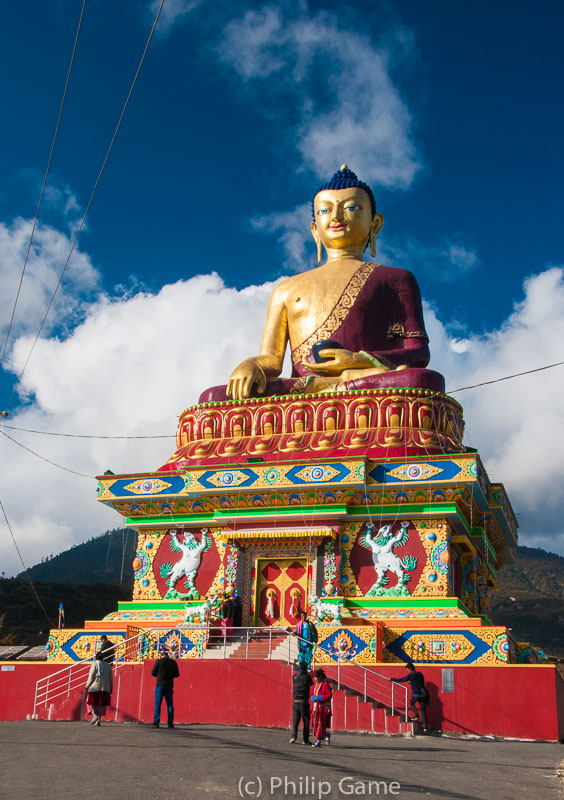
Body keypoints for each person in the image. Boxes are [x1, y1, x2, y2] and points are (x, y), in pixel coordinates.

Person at [200, 165, 444, 403]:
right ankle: (329, 389)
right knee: (213, 397)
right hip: (303, 390)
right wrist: (251, 364)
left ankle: (341, 385)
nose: (337, 217)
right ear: (315, 230)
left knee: (420, 380)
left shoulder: (396, 279)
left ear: (375, 223)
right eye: (325, 211)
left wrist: (357, 360)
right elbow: (272, 362)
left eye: (351, 207)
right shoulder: (286, 289)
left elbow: (418, 354)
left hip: (364, 381)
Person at [388, 662, 428, 733]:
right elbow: (420, 682)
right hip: (423, 694)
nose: (407, 671)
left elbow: (401, 680)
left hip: (416, 694)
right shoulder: (420, 674)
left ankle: (416, 715)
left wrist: (391, 679)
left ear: (410, 669)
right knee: (423, 711)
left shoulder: (411, 675)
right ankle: (425, 728)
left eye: (407, 670)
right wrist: (411, 681)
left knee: (412, 703)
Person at [151, 649, 180, 728]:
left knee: (157, 704)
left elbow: (153, 672)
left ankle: (156, 722)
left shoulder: (159, 662)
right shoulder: (173, 662)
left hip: (160, 684)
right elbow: (177, 674)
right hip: (169, 685)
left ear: (161, 656)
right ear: (168, 656)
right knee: (170, 705)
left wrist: (159, 675)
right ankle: (170, 723)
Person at [85, 652, 113, 726]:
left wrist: (87, 686)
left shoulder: (95, 664)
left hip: (95, 687)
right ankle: (98, 719)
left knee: (91, 703)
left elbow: (91, 676)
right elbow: (111, 678)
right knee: (101, 705)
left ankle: (95, 715)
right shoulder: (108, 666)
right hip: (105, 688)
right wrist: (111, 688)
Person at [289, 662, 313, 745]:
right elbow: (311, 683)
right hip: (304, 702)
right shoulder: (307, 677)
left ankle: (293, 737)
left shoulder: (294, 677)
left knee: (295, 721)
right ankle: (305, 739)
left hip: (295, 701)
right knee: (306, 720)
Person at [310, 667, 332, 747]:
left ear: (320, 677)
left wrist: (319, 698)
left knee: (320, 724)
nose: (315, 679)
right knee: (317, 724)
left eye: (316, 677)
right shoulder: (315, 685)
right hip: (316, 708)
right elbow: (312, 694)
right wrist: (312, 698)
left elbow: (329, 695)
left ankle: (318, 741)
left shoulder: (325, 685)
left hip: (322, 708)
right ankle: (326, 735)